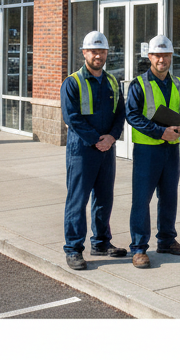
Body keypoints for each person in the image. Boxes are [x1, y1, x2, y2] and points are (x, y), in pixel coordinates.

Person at [60, 30, 127, 270]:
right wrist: (97, 140)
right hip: (82, 151)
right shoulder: (72, 82)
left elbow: (121, 113)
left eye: (102, 51)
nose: (98, 55)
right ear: (84, 53)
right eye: (93, 51)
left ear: (107, 53)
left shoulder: (111, 81)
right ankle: (73, 248)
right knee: (77, 200)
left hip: (106, 150)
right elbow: (72, 118)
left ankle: (100, 242)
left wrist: (111, 137)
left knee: (104, 199)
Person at [127, 34, 180, 267]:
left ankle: (166, 240)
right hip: (147, 151)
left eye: (166, 55)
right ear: (150, 57)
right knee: (141, 200)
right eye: (157, 55)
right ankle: (138, 248)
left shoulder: (178, 83)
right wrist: (159, 131)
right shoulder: (139, 84)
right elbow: (132, 115)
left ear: (171, 56)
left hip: (171, 151)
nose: (162, 59)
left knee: (169, 197)